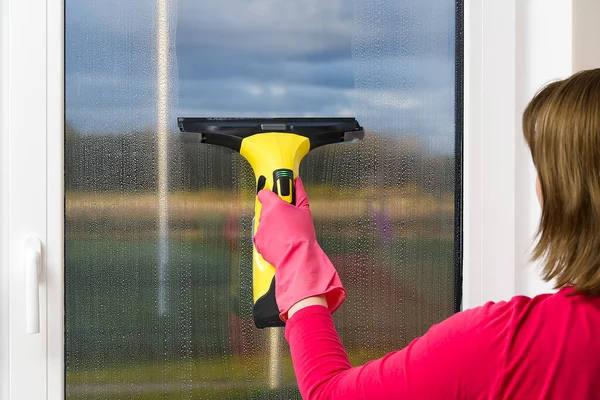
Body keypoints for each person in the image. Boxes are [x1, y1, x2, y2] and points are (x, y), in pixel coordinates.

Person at [253, 68, 600, 399]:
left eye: (542, 168)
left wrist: (297, 257)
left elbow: (331, 394)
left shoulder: (512, 346)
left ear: (565, 191)